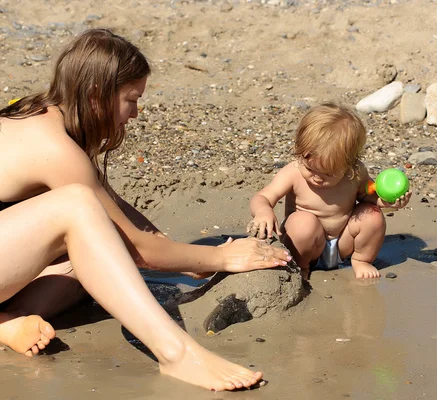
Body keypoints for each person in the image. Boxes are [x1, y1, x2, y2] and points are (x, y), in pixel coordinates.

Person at [0, 28, 291, 391]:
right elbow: (140, 249)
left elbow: (117, 215)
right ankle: (176, 353)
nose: (135, 114)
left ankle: (7, 321)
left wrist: (182, 256)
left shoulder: (52, 115)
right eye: (131, 99)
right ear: (96, 95)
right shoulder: (53, 147)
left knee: (96, 262)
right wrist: (219, 258)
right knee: (77, 207)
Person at [247, 103, 412, 279]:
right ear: (300, 152)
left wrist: (385, 202)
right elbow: (263, 196)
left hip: (343, 242)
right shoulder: (293, 172)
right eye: (310, 169)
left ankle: (361, 260)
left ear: (349, 165)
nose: (317, 178)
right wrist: (263, 211)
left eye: (328, 174)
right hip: (307, 246)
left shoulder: (355, 173)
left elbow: (368, 197)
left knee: (373, 215)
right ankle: (301, 268)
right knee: (303, 223)